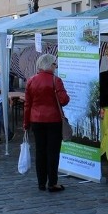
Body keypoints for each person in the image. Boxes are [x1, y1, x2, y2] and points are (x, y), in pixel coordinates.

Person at [23, 54, 70, 192]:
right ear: (50, 65)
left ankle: (41, 182)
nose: (56, 67)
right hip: (53, 120)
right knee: (53, 152)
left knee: (40, 151)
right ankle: (53, 182)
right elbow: (64, 100)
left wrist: (26, 123)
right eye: (55, 64)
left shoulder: (31, 80)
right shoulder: (56, 80)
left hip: (36, 119)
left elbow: (27, 105)